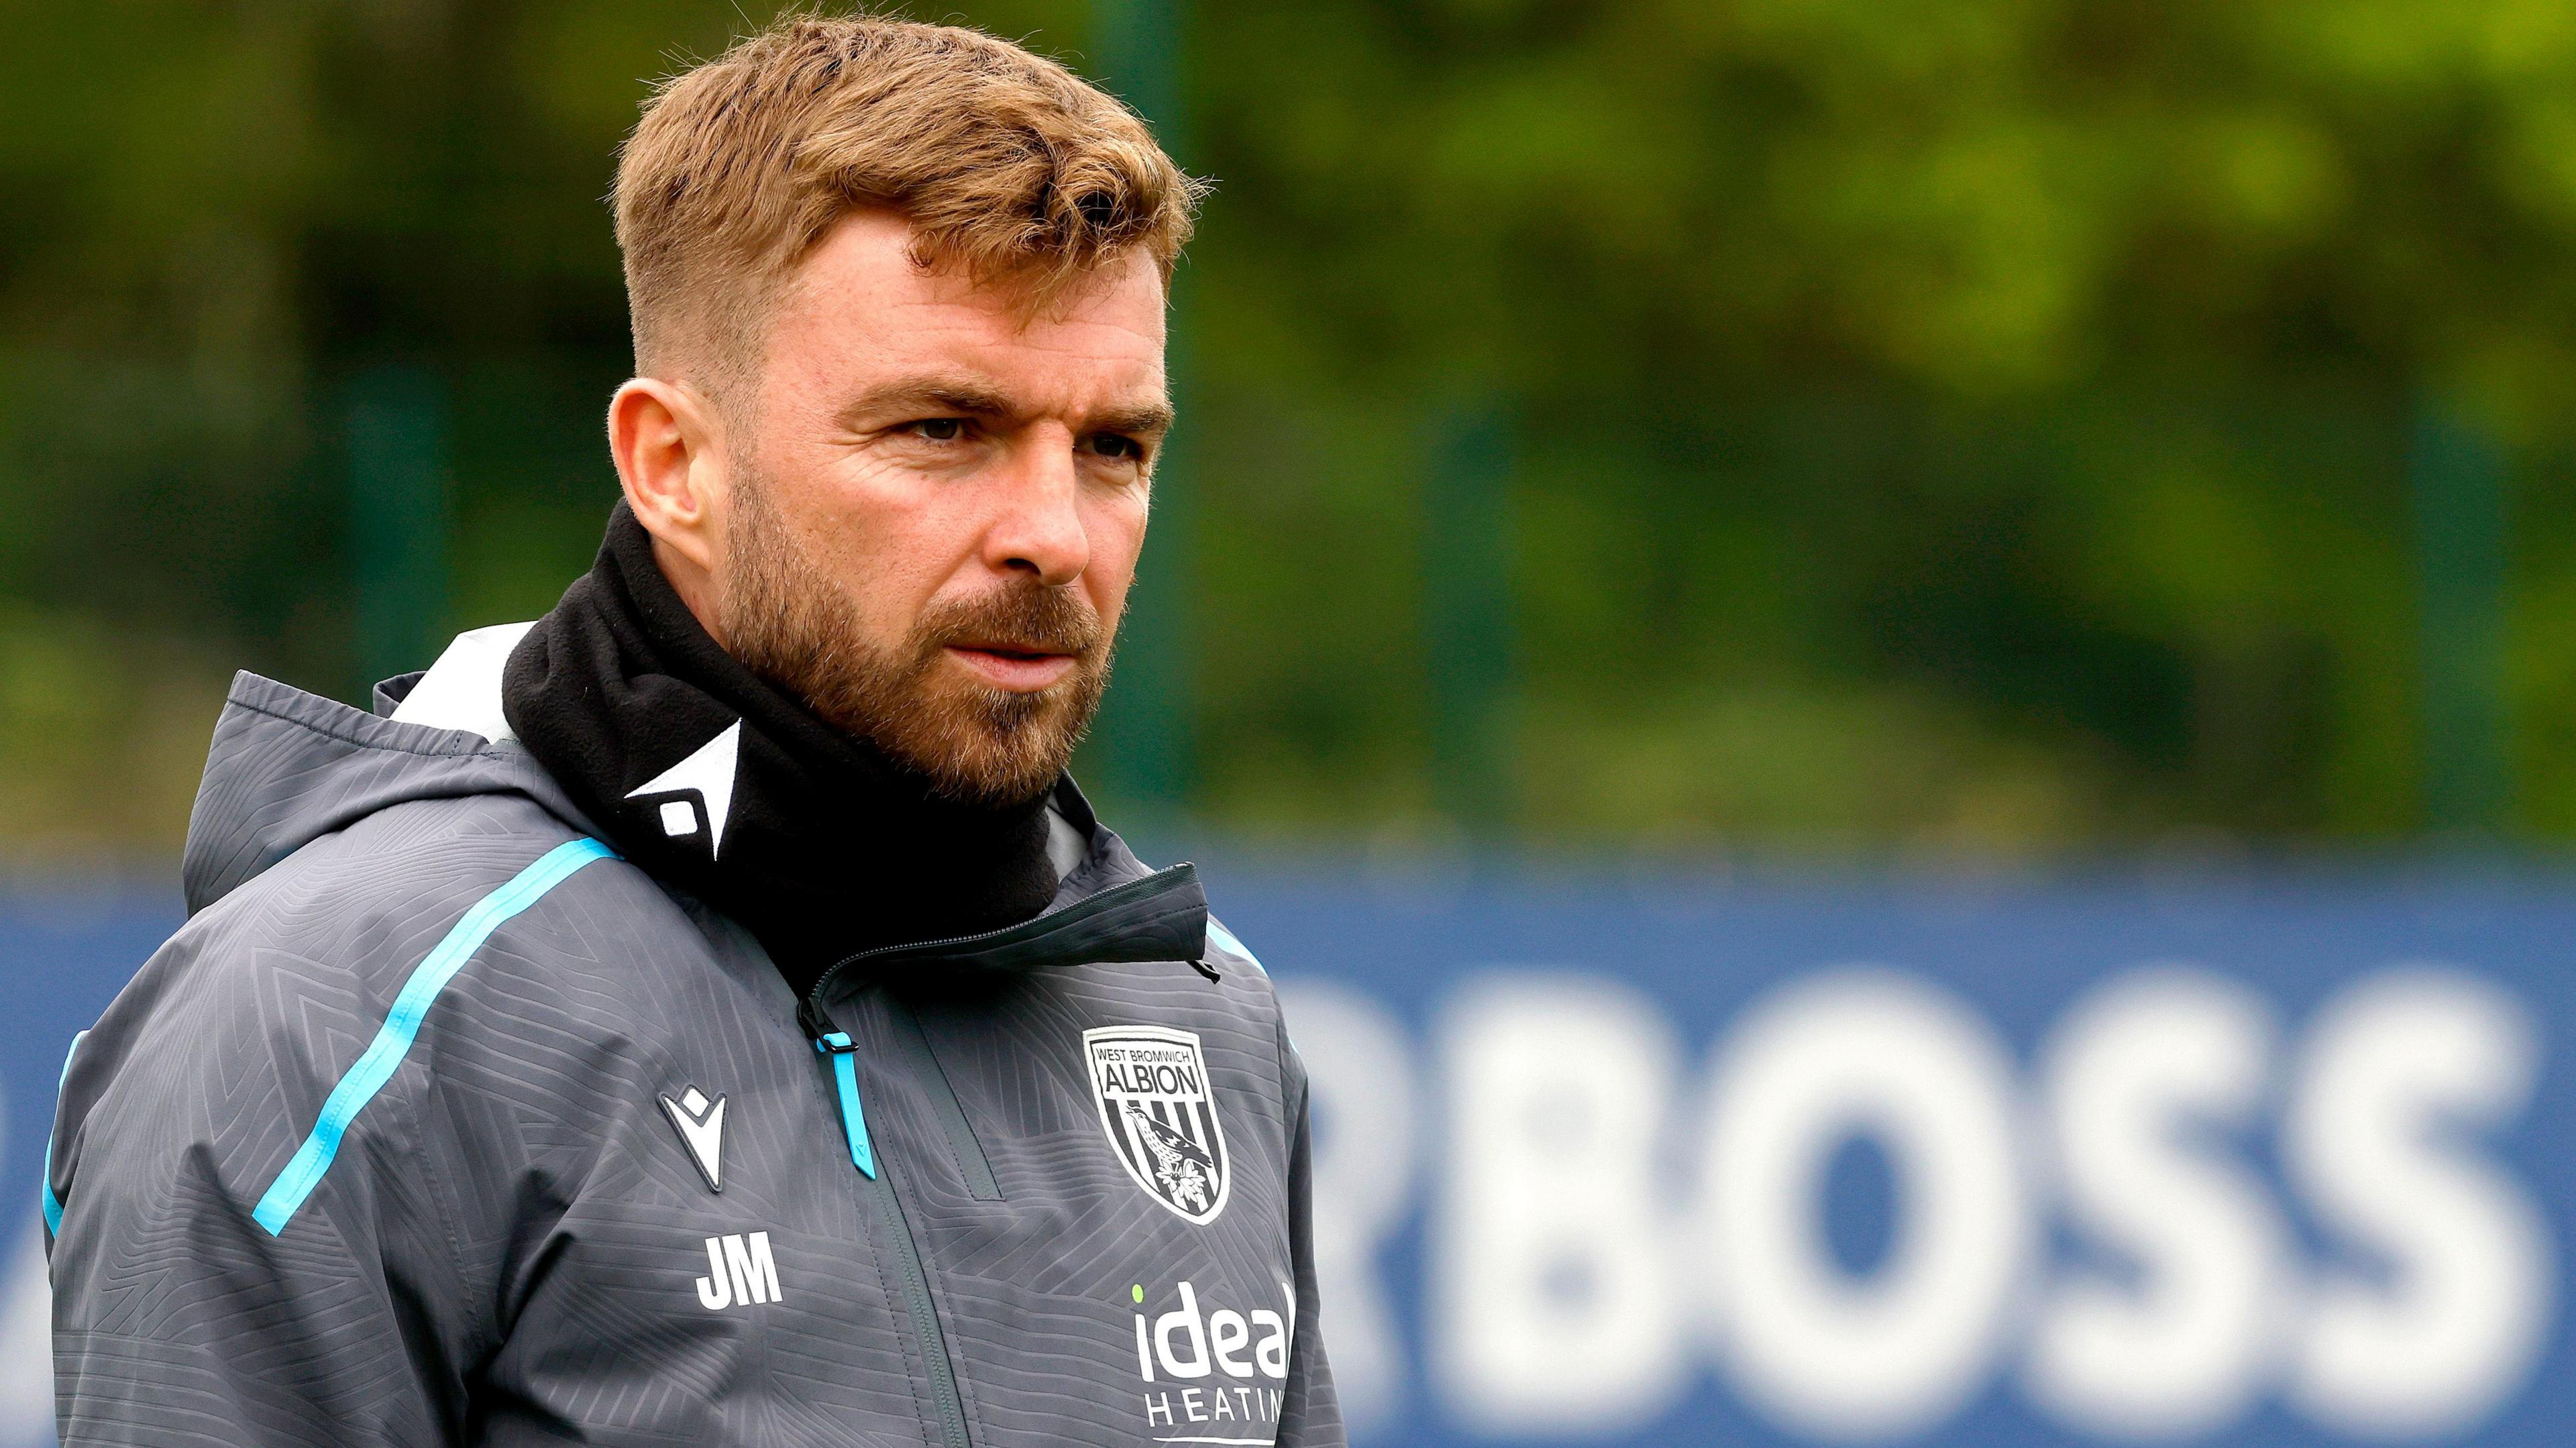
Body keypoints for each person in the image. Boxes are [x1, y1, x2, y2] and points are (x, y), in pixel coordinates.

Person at [44, 15, 1340, 1447]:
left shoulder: (1200, 1010)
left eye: (1114, 448)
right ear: (674, 465)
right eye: (940, 429)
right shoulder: (332, 1025)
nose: (1052, 535)